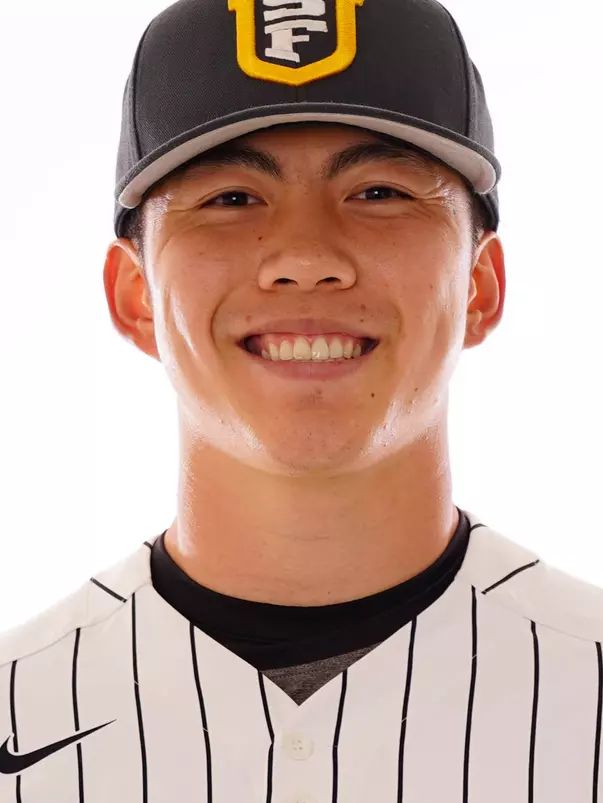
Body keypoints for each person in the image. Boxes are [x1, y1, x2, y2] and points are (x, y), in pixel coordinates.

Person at [1, 0, 602, 800]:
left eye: (380, 191)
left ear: (480, 287)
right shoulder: (19, 705)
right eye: (231, 198)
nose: (307, 256)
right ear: (135, 294)